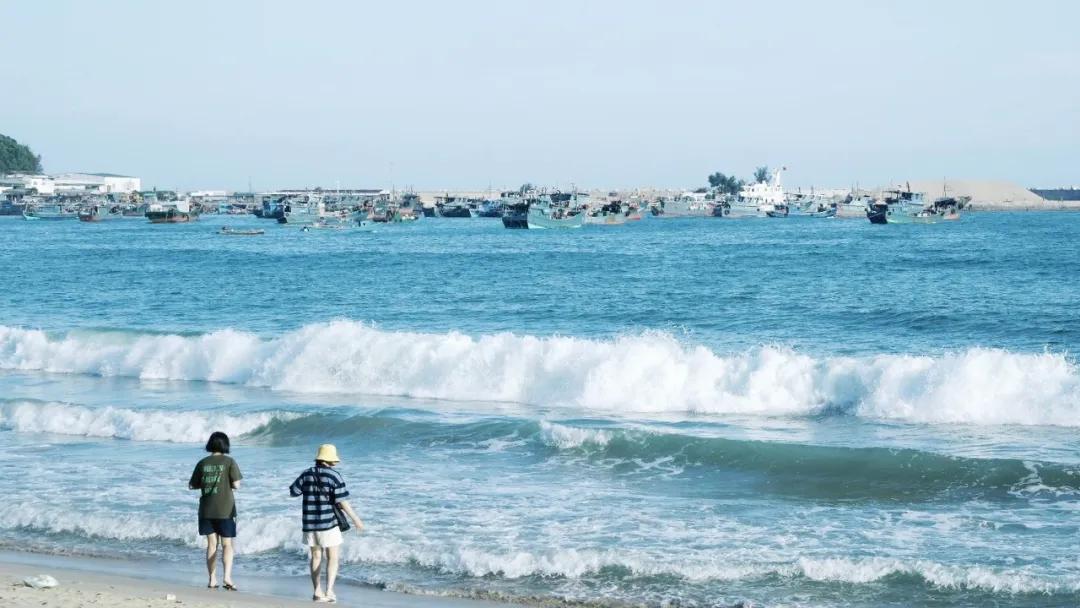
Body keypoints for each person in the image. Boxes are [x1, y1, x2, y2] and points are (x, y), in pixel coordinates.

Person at [289, 444, 363, 603]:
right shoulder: (335, 476)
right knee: (332, 557)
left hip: (309, 524)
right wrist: (356, 519)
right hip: (328, 523)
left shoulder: (306, 474)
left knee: (315, 556)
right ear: (330, 459)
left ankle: (317, 591)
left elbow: (293, 491)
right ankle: (329, 591)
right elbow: (342, 502)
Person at [188, 431, 242, 591]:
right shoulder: (229, 461)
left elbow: (192, 485)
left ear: (210, 444)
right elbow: (237, 484)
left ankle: (212, 579)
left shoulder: (202, 463)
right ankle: (227, 577)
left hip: (206, 509)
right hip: (225, 509)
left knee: (212, 545)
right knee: (227, 545)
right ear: (225, 444)